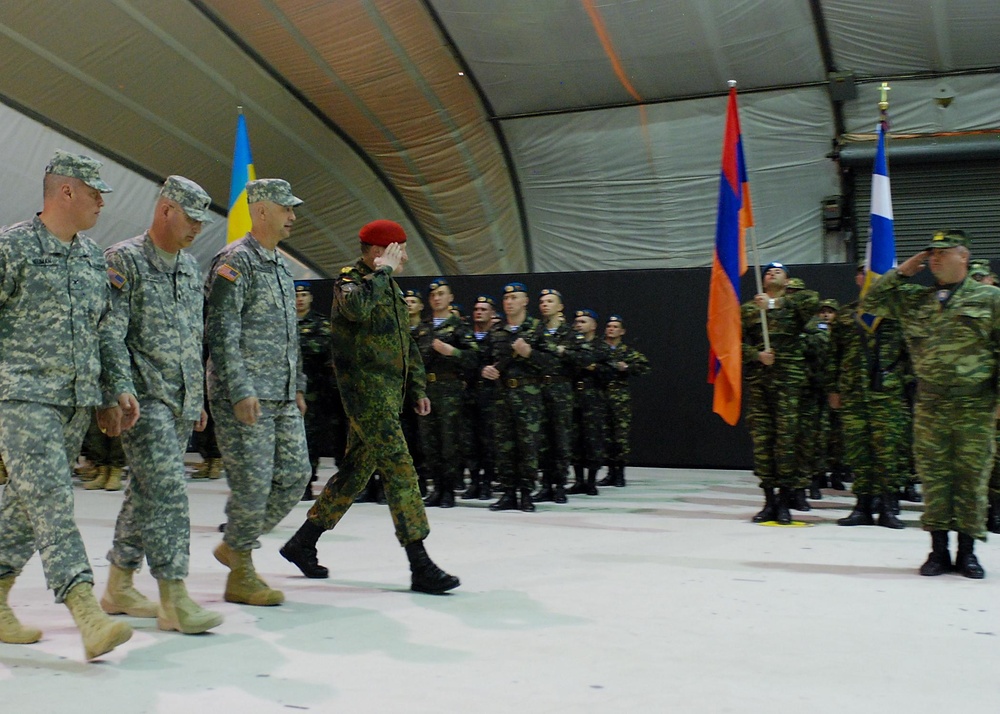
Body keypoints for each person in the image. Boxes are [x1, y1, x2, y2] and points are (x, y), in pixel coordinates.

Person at [0, 150, 138, 660]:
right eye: (94, 190)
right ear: (65, 191)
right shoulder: (12, 248)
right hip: (23, 398)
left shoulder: (89, 257)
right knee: (54, 502)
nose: (102, 200)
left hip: (76, 404)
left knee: (24, 504)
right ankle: (86, 611)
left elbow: (106, 333)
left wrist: (112, 391)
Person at [280, 219, 459, 594]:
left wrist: (417, 387)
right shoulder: (350, 280)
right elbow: (357, 309)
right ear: (380, 252)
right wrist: (384, 273)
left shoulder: (388, 286)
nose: (405, 255)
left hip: (389, 393)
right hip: (366, 392)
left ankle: (303, 542)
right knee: (400, 469)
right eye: (399, 248)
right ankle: (419, 562)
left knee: (355, 472)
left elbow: (404, 342)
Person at [98, 175, 223, 634]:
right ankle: (175, 597)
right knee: (168, 491)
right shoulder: (123, 260)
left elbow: (193, 337)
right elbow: (109, 331)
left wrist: (197, 397)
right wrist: (114, 392)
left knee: (145, 491)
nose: (196, 228)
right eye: (190, 219)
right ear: (165, 209)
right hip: (141, 400)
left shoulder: (190, 268)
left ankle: (119, 585)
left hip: (180, 402)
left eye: (201, 222)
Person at [862, 229, 1000, 578]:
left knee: (971, 478)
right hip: (930, 404)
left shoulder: (989, 298)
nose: (935, 258)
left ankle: (967, 551)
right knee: (935, 478)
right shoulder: (916, 300)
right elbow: (871, 302)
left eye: (943, 252)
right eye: (930, 253)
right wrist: (906, 269)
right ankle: (938, 550)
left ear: (963, 256)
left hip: (975, 404)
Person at [205, 178, 311, 606]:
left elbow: (290, 335)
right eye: (286, 209)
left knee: (295, 476)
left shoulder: (281, 267)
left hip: (282, 394)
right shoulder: (235, 261)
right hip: (244, 393)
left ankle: (235, 542)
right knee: (252, 484)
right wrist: (239, 388)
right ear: (262, 210)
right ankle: (242, 573)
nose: (293, 217)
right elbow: (221, 330)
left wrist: (297, 385)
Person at [827, 266, 909, 529]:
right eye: (865, 273)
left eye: (876, 273)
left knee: (887, 452)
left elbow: (912, 353)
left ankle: (887, 507)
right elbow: (833, 355)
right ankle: (862, 506)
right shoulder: (844, 315)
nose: (870, 278)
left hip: (886, 393)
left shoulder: (898, 313)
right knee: (858, 452)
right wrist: (833, 389)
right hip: (853, 393)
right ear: (858, 279)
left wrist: (903, 382)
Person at [742, 262, 819, 524]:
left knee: (786, 442)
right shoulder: (749, 310)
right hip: (760, 382)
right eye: (767, 272)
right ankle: (768, 501)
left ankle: (785, 500)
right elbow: (732, 343)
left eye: (778, 272)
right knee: (763, 443)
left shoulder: (797, 302)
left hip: (788, 382)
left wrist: (773, 305)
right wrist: (756, 355)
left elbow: (813, 303)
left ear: (787, 281)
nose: (771, 273)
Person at [482, 282, 553, 512]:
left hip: (528, 395)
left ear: (525, 301)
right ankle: (508, 492)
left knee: (528, 446)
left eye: (515, 297)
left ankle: (526, 492)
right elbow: (481, 358)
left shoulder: (537, 329)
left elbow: (552, 363)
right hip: (502, 395)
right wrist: (485, 370)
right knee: (504, 445)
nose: (509, 302)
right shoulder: (496, 331)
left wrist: (530, 353)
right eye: (506, 298)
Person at [415, 278, 478, 508]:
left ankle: (449, 489)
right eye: (433, 295)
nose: (437, 298)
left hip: (450, 391)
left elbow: (474, 359)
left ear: (450, 298)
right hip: (427, 391)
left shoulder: (460, 327)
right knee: (429, 443)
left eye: (442, 294)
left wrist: (453, 352)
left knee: (449, 443)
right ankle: (437, 488)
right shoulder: (423, 328)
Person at [295, 281, 339, 501]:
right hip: (284, 390)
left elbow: (325, 350)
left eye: (304, 295)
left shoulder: (321, 324)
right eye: (296, 295)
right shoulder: (281, 322)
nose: (300, 299)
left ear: (311, 298)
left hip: (314, 390)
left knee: (309, 438)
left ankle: (306, 483)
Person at [533, 289, 576, 504]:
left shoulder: (570, 333)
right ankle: (545, 484)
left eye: (550, 301)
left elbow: (580, 357)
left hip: (560, 391)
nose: (545, 304)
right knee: (542, 439)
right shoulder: (535, 331)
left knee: (560, 439)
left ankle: (560, 485)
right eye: (542, 301)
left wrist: (559, 350)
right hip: (539, 389)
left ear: (560, 307)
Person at [600, 314, 651, 487]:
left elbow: (644, 367)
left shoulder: (627, 352)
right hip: (600, 397)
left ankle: (620, 473)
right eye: (609, 326)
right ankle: (609, 472)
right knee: (605, 437)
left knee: (620, 437)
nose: (611, 329)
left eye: (615, 326)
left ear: (622, 331)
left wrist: (627, 367)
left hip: (619, 398)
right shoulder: (598, 349)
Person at [568, 309, 614, 495]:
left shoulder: (602, 348)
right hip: (573, 398)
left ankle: (591, 481)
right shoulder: (571, 347)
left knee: (593, 439)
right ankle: (578, 480)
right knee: (575, 440)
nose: (579, 324)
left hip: (593, 399)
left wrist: (593, 367)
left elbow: (610, 372)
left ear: (593, 325)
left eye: (583, 321)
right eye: (577, 321)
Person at [461, 295, 498, 500]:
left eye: (484, 309)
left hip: (491, 396)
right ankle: (474, 481)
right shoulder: (466, 336)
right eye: (476, 309)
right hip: (469, 394)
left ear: (492, 313)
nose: (479, 312)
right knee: (469, 441)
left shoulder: (497, 336)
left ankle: (487, 483)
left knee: (488, 441)